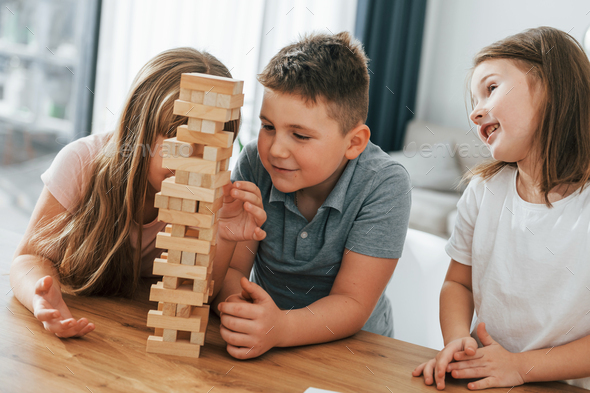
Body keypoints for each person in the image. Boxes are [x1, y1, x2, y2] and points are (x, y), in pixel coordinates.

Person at [8, 48, 245, 338]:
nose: (191, 159)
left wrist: (225, 233)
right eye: (177, 137)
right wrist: (41, 297)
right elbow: (28, 258)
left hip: (136, 328)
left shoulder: (213, 194)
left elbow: (199, 296)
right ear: (138, 128)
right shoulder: (82, 162)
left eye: (211, 143)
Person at [212, 31, 412, 359]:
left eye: (300, 136)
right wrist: (239, 309)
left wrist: (280, 327)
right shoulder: (254, 162)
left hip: (352, 353)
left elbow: (352, 302)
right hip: (267, 339)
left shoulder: (384, 183)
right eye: (268, 126)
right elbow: (234, 271)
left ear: (354, 143)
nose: (276, 149)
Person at [413, 26, 590, 390]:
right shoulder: (483, 191)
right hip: (487, 379)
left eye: (491, 88)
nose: (476, 114)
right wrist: (457, 339)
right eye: (474, 102)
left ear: (553, 85)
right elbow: (458, 284)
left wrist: (521, 367)